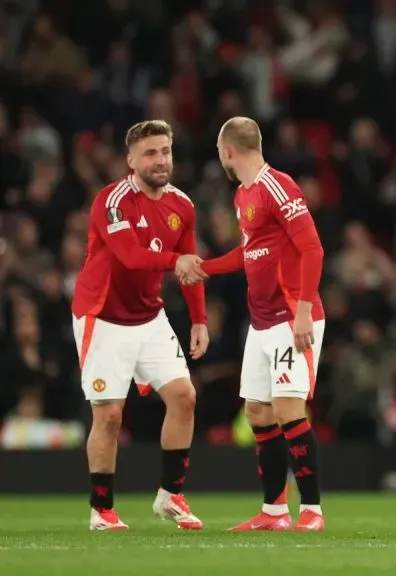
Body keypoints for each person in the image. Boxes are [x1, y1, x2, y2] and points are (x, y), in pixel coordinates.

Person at [181, 116, 326, 532]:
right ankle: (275, 512)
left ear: (227, 152)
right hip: (261, 322)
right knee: (258, 411)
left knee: (287, 408)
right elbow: (250, 254)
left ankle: (312, 510)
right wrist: (204, 268)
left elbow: (312, 249)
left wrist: (301, 309)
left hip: (291, 317)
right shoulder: (243, 195)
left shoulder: (277, 186)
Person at [72, 119, 209, 531]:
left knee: (184, 396)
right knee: (110, 416)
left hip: (149, 315)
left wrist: (199, 319)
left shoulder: (182, 205)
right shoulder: (111, 201)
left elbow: (190, 266)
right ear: (131, 160)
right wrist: (174, 261)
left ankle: (170, 496)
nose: (160, 160)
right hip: (103, 315)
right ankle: (102, 510)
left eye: (165, 151)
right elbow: (131, 256)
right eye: (150, 153)